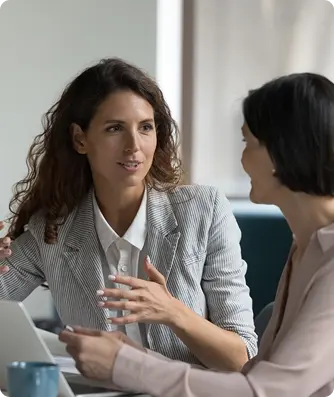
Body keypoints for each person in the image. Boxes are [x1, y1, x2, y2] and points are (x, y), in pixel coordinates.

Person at [60, 72, 334, 397]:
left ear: (281, 151)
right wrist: (135, 356)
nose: (242, 158)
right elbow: (254, 376)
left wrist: (124, 365)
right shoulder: (306, 248)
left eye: (248, 142)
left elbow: (268, 390)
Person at [0, 57, 257, 370]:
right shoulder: (52, 230)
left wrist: (172, 312)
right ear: (80, 139)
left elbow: (242, 359)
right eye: (115, 129)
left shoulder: (204, 210)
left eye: (145, 128)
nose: (134, 146)